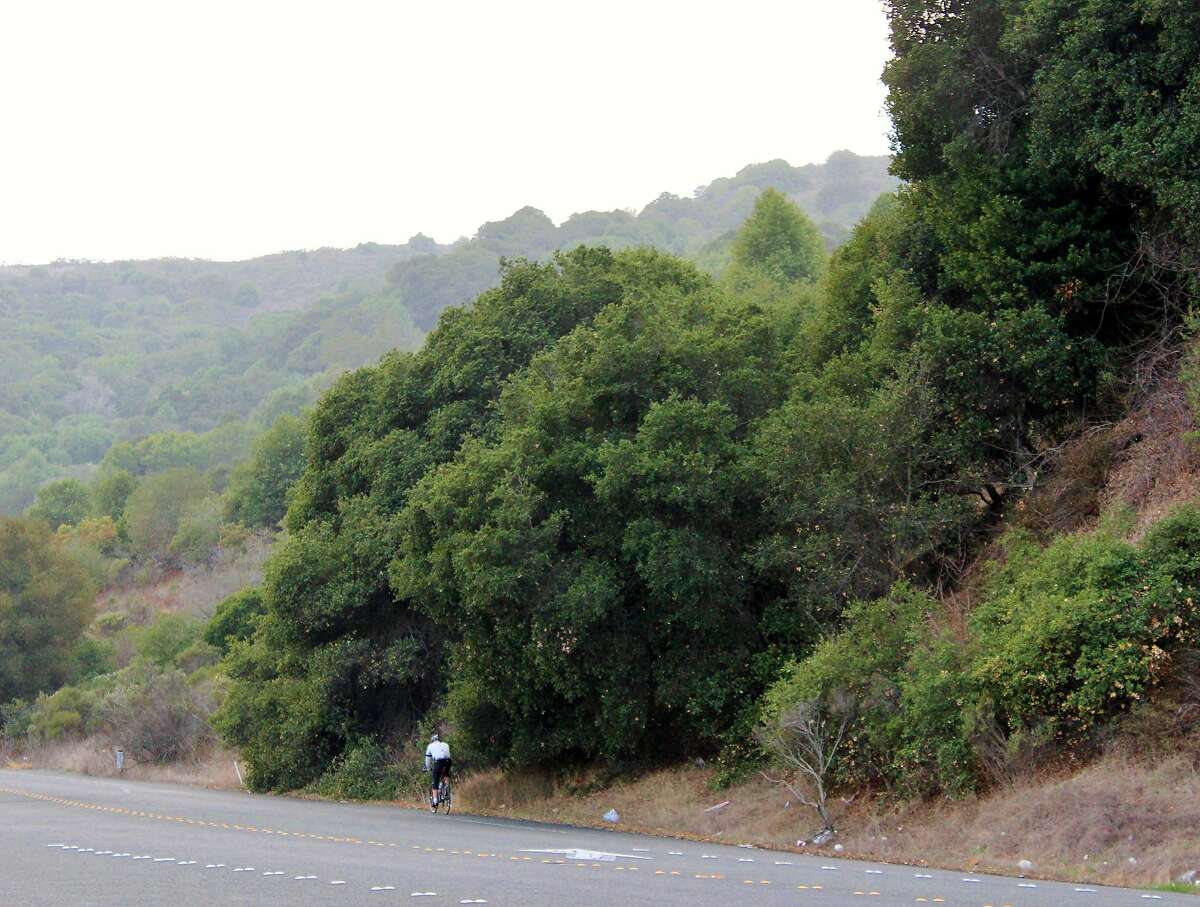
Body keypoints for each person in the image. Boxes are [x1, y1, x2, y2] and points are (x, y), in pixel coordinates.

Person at [424, 733, 452, 809]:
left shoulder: (430, 746)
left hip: (439, 762)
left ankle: (435, 801)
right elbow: (448, 754)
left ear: (432, 740)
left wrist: (427, 767)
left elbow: (428, 760)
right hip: (448, 761)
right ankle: (446, 788)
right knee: (446, 774)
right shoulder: (445, 744)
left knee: (435, 779)